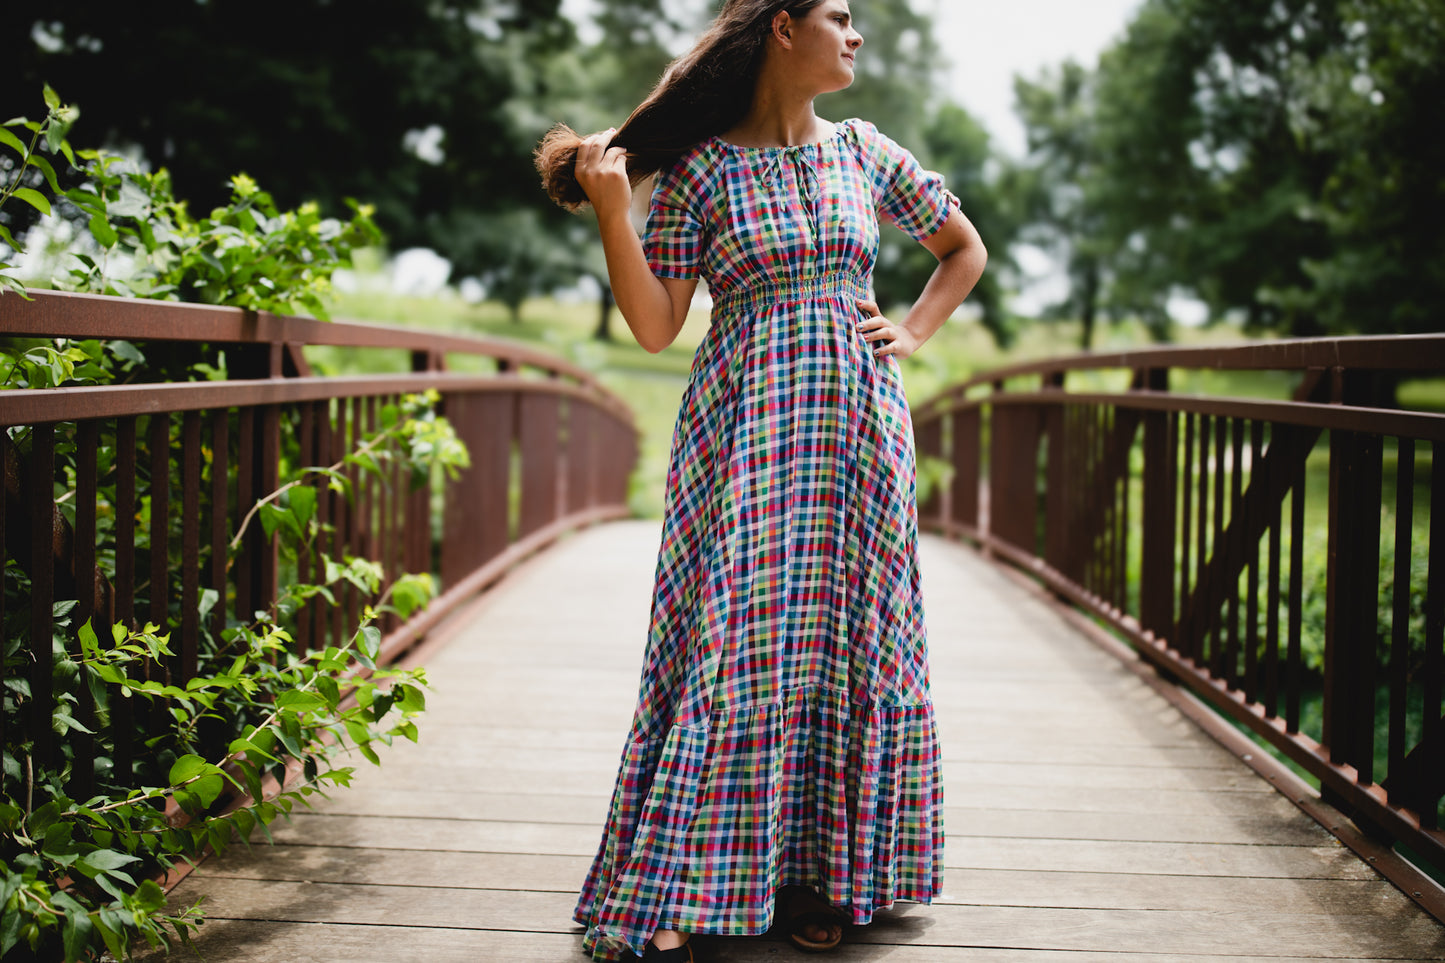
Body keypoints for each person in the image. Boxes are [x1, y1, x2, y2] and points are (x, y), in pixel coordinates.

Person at [536, 1, 986, 959]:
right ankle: (686, 879)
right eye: (840, 15)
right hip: (743, 438)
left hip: (859, 434)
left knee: (848, 635)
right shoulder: (703, 170)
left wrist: (911, 330)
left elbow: (962, 249)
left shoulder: (865, 151)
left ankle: (819, 875)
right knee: (737, 637)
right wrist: (614, 210)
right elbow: (656, 326)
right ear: (784, 28)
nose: (856, 34)